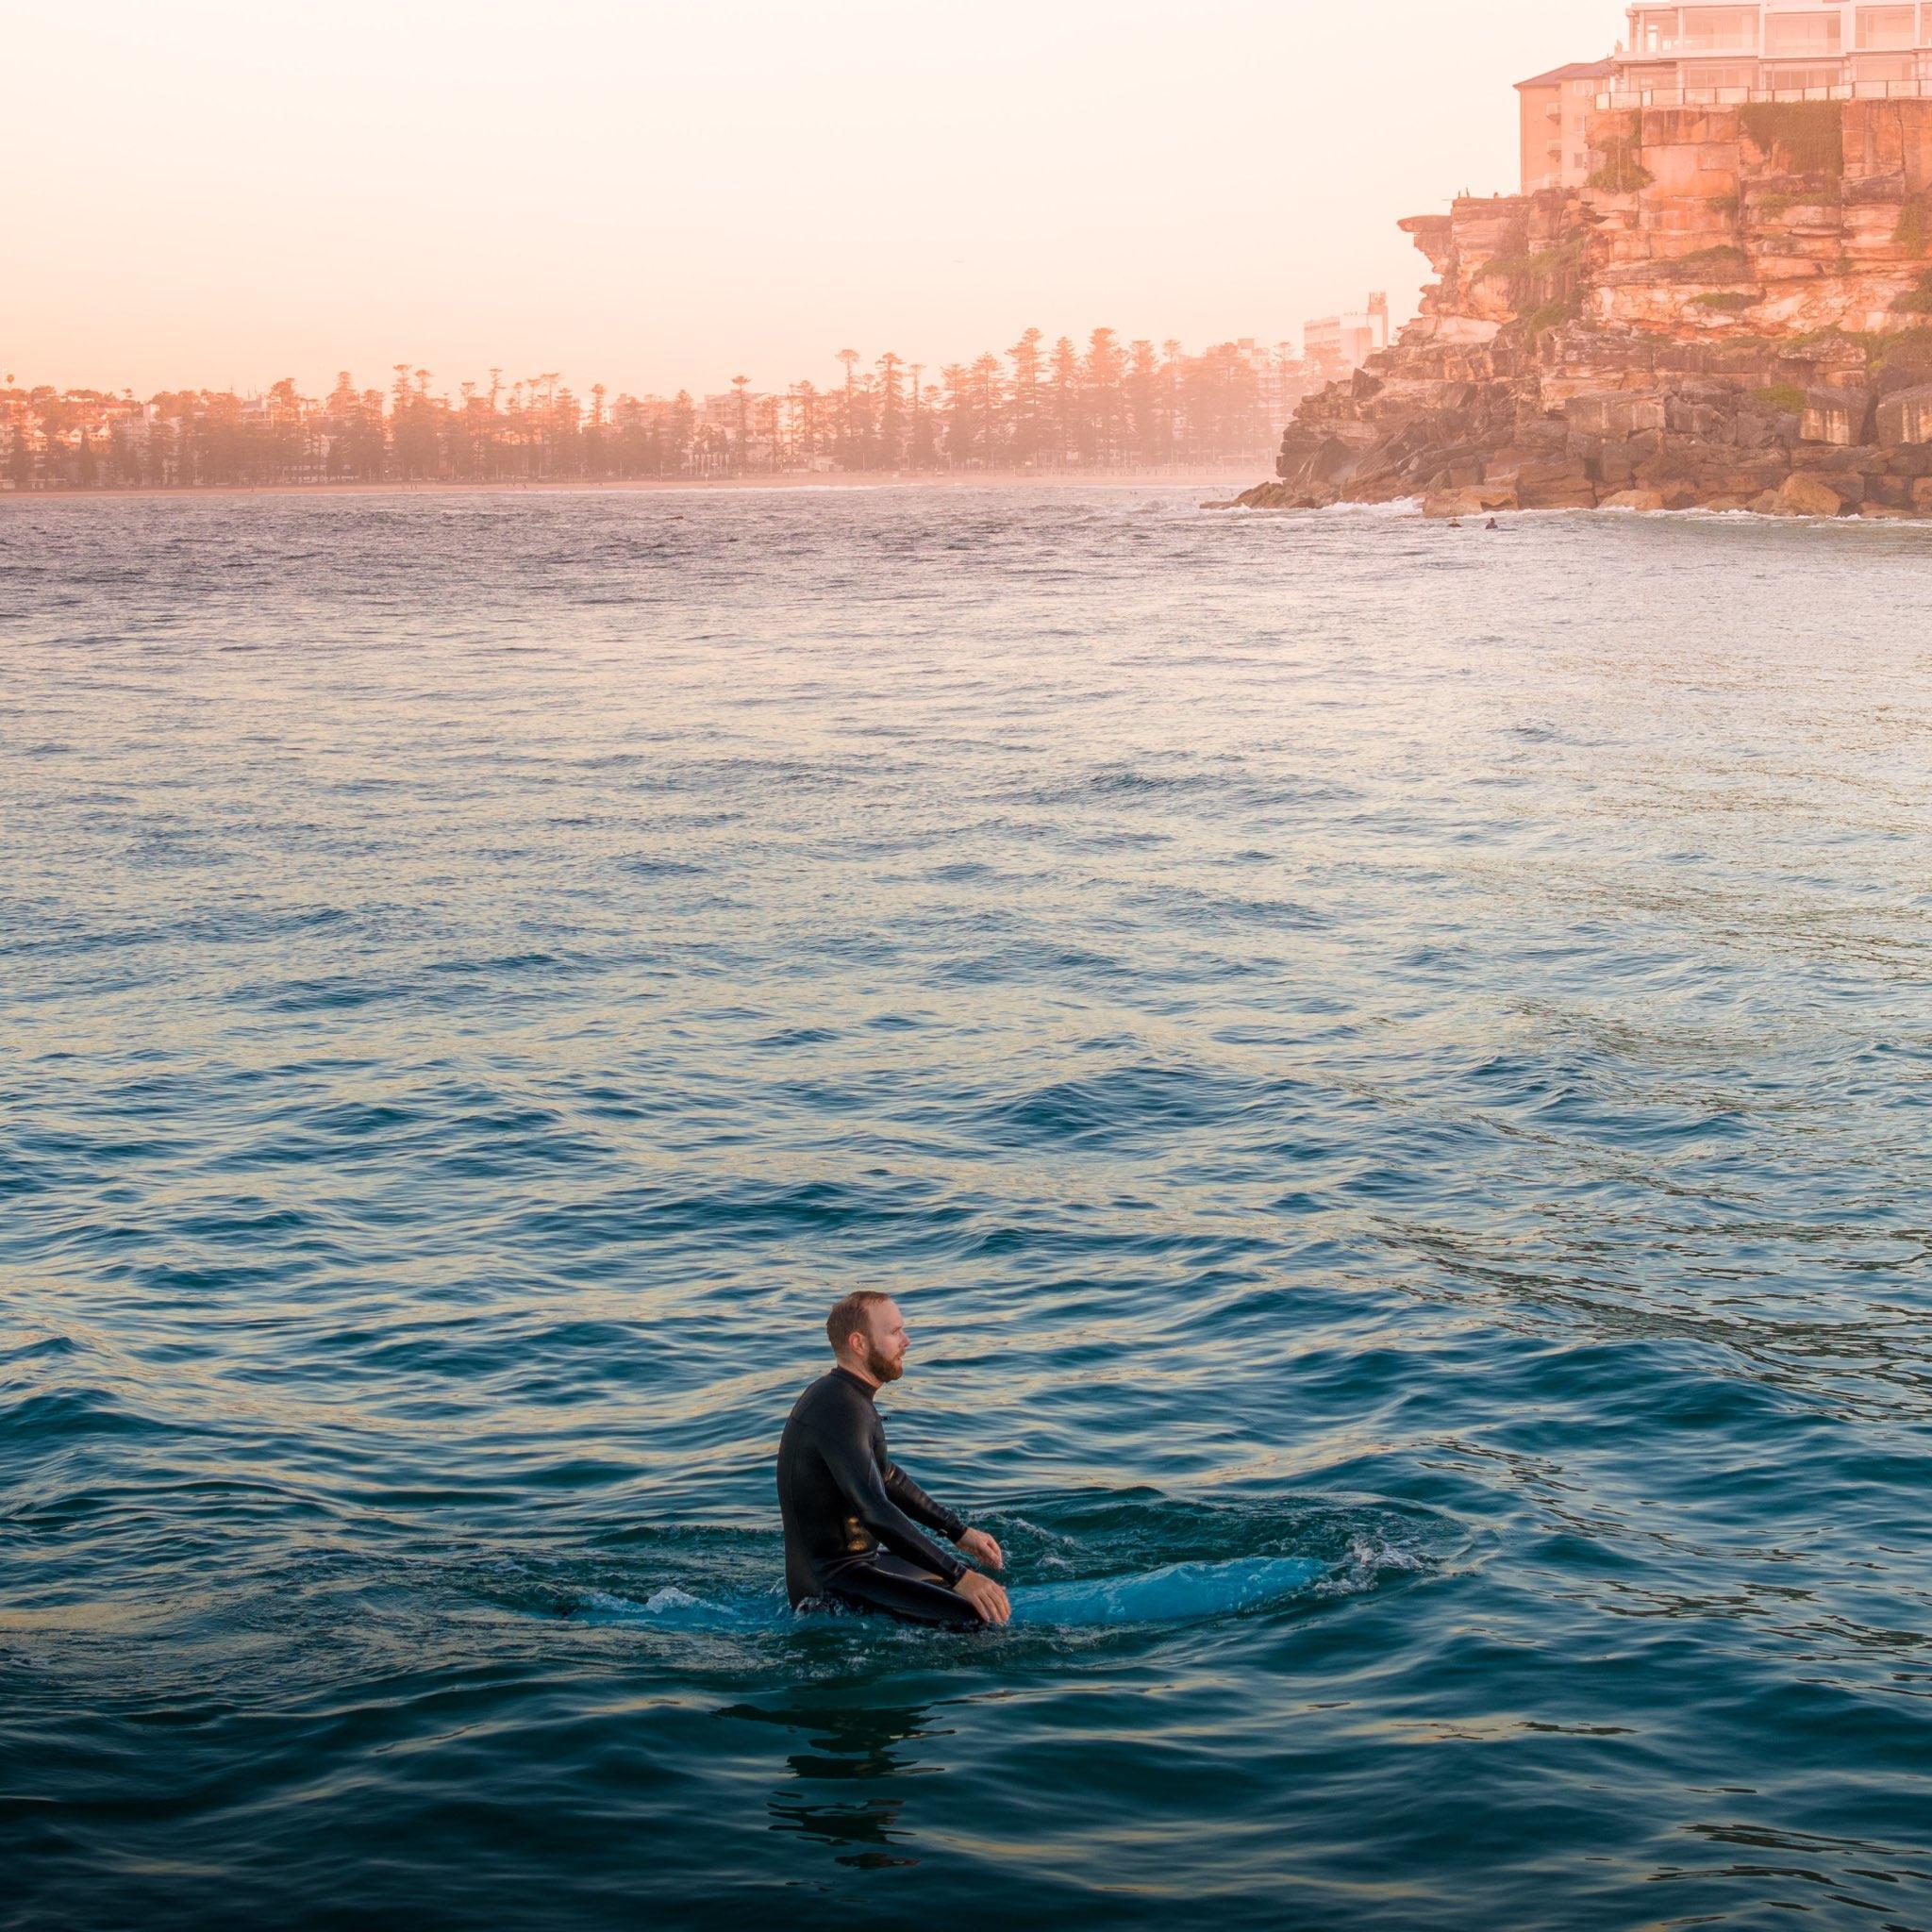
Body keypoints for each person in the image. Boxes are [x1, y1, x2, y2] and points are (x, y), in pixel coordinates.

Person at [777, 1291, 1010, 1627]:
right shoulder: (840, 1410)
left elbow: (886, 1476)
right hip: (829, 1585)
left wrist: (958, 1532)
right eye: (894, 1332)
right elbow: (876, 1511)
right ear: (859, 1343)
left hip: (863, 1563)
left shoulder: (847, 1398)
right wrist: (961, 1576)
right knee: (977, 1618)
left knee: (981, 1590)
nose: (907, 1341)